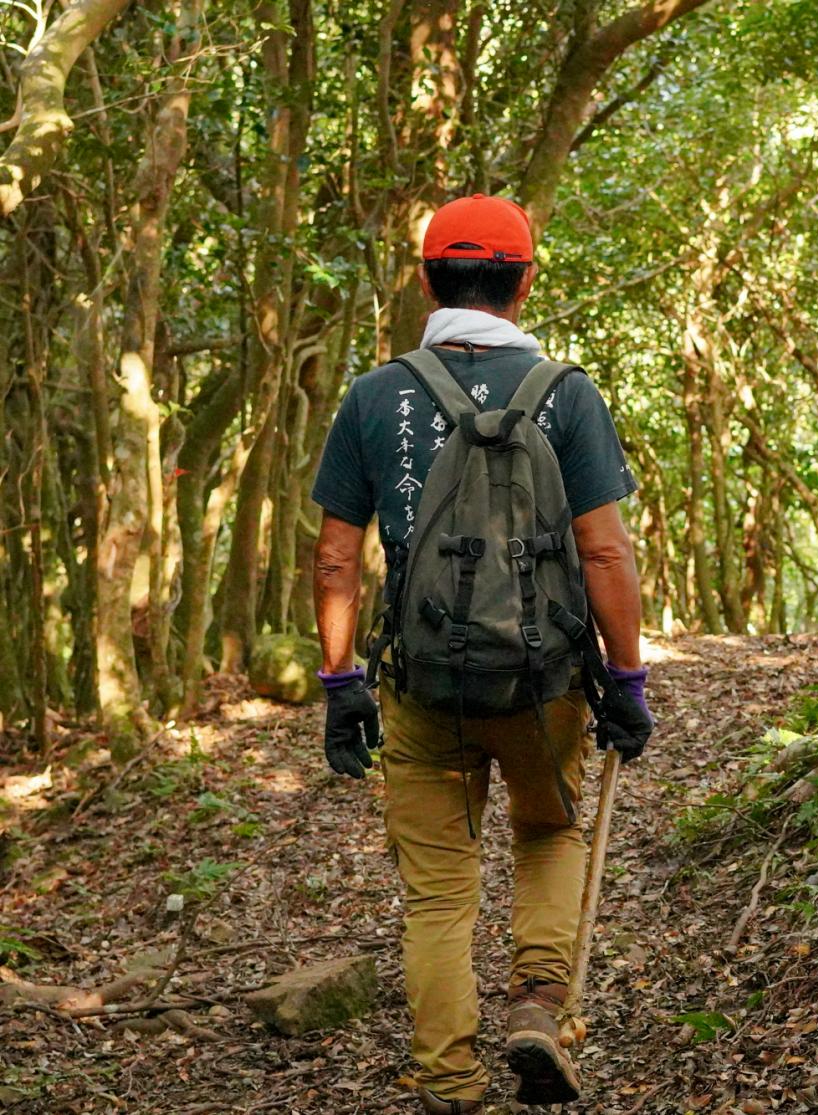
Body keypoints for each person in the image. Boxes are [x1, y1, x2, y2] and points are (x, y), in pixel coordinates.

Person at [309, 194, 653, 1114]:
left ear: (426, 279)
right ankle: (539, 1002)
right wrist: (626, 677)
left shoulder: (376, 395)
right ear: (525, 280)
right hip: (545, 683)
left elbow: (337, 555)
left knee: (437, 895)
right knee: (548, 831)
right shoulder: (565, 394)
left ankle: (451, 1080)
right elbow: (606, 550)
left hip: (422, 684)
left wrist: (342, 683)